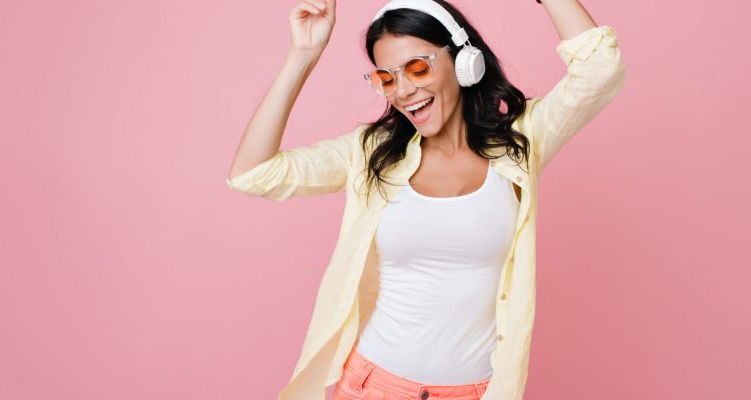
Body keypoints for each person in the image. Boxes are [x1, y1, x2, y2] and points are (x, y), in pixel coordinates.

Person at [226, 0, 625, 399]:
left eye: (418, 68)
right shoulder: (371, 152)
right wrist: (303, 55)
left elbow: (599, 72)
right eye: (387, 78)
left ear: (464, 60)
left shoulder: (521, 142)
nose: (403, 91)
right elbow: (253, 173)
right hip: (372, 386)